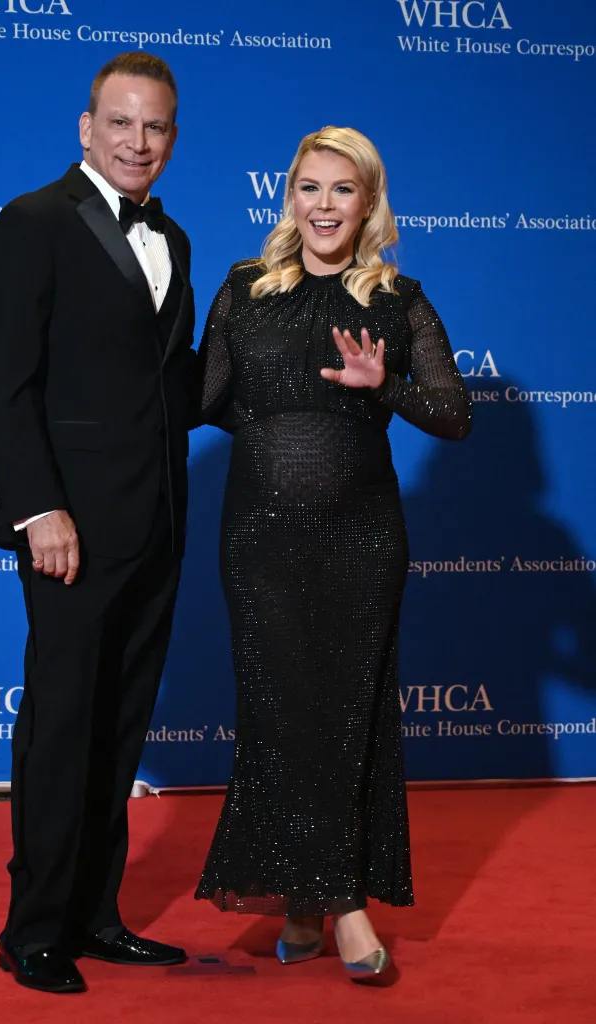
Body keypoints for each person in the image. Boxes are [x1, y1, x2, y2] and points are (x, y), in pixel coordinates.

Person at [195, 127, 472, 982]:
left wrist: (377, 387)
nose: (322, 205)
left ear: (368, 203)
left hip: (363, 539)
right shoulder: (245, 289)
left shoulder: (397, 300)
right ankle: (340, 901)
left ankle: (313, 902)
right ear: (291, 197)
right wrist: (274, 428)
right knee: (283, 715)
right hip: (261, 541)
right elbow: (202, 398)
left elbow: (454, 414)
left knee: (344, 718)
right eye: (309, 187)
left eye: (341, 190)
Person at [0, 52, 196, 994]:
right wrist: (39, 508)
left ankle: (97, 916)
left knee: (120, 725)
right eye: (121, 123)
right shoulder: (32, 222)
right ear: (85, 127)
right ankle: (33, 930)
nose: (138, 143)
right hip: (66, 527)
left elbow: (171, 381)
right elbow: (3, 382)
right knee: (62, 726)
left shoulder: (173, 238)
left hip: (157, 519)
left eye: (155, 128)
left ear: (172, 138)